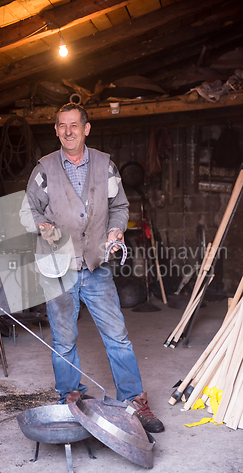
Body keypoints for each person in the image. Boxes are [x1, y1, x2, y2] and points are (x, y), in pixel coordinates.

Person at [20, 103, 164, 433]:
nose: (68, 131)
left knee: (118, 336)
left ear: (86, 129)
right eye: (62, 125)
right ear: (56, 130)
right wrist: (42, 224)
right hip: (58, 266)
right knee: (64, 339)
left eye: (74, 125)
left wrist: (116, 230)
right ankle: (71, 398)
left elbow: (120, 206)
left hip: (95, 264)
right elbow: (29, 209)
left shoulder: (104, 164)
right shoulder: (44, 169)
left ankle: (134, 402)